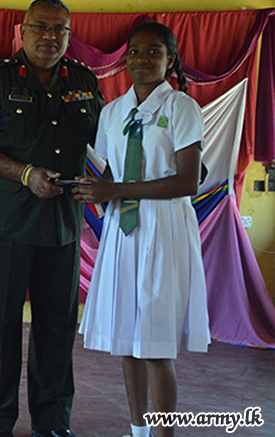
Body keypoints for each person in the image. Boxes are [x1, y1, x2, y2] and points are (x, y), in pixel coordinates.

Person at [0, 0, 103, 437]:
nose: (49, 36)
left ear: (69, 36)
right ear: (22, 32)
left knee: (57, 329)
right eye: (40, 27)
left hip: (62, 226)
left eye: (59, 29)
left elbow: (106, 145)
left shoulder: (84, 81)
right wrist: (25, 174)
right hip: (4, 225)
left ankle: (52, 422)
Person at [74, 22, 210, 437]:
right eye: (134, 51)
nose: (142, 59)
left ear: (170, 60)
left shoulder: (181, 108)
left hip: (164, 228)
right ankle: (138, 431)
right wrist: (93, 184)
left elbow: (187, 181)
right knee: (127, 341)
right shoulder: (113, 112)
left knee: (155, 344)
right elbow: (110, 173)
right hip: (123, 229)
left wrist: (114, 189)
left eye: (154, 52)